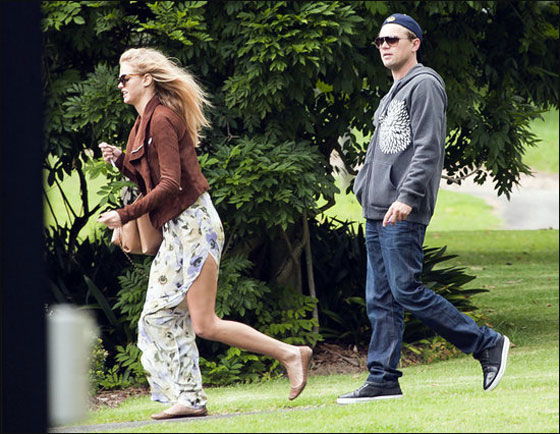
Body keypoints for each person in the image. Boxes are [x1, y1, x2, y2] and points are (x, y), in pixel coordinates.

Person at [98, 47, 312, 420]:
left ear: (146, 79)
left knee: (205, 322)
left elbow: (170, 183)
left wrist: (124, 214)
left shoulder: (162, 119)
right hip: (178, 229)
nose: (120, 85)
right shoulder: (142, 122)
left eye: (124, 77)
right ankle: (189, 397)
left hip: (194, 224)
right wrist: (121, 161)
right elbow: (150, 176)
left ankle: (291, 354)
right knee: (157, 315)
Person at [337, 14, 510, 404]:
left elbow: (429, 148)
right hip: (377, 209)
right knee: (380, 298)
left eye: (393, 39)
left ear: (414, 43)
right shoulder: (391, 93)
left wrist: (407, 196)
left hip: (402, 208)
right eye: (380, 40)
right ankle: (382, 378)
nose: (384, 46)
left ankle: (486, 344)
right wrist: (365, 188)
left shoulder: (425, 84)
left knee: (406, 290)